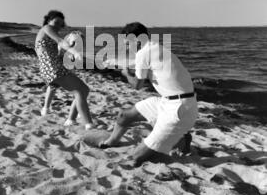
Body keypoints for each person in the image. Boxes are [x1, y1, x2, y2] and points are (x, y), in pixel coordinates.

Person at [101, 22, 198, 166]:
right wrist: (116, 62)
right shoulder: (154, 48)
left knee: (135, 158)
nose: (127, 47)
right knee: (124, 116)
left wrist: (125, 72)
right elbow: (136, 63)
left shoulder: (144, 53)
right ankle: (111, 142)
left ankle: (180, 139)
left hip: (178, 110)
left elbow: (137, 85)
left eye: (128, 44)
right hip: (170, 101)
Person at [35, 10, 93, 129]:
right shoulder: (46, 28)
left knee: (83, 90)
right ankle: (89, 124)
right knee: (80, 91)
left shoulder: (48, 35)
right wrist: (74, 51)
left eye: (60, 24)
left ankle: (70, 120)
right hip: (51, 67)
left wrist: (74, 47)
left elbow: (61, 49)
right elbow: (61, 42)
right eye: (56, 22)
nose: (58, 26)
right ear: (48, 21)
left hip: (50, 67)